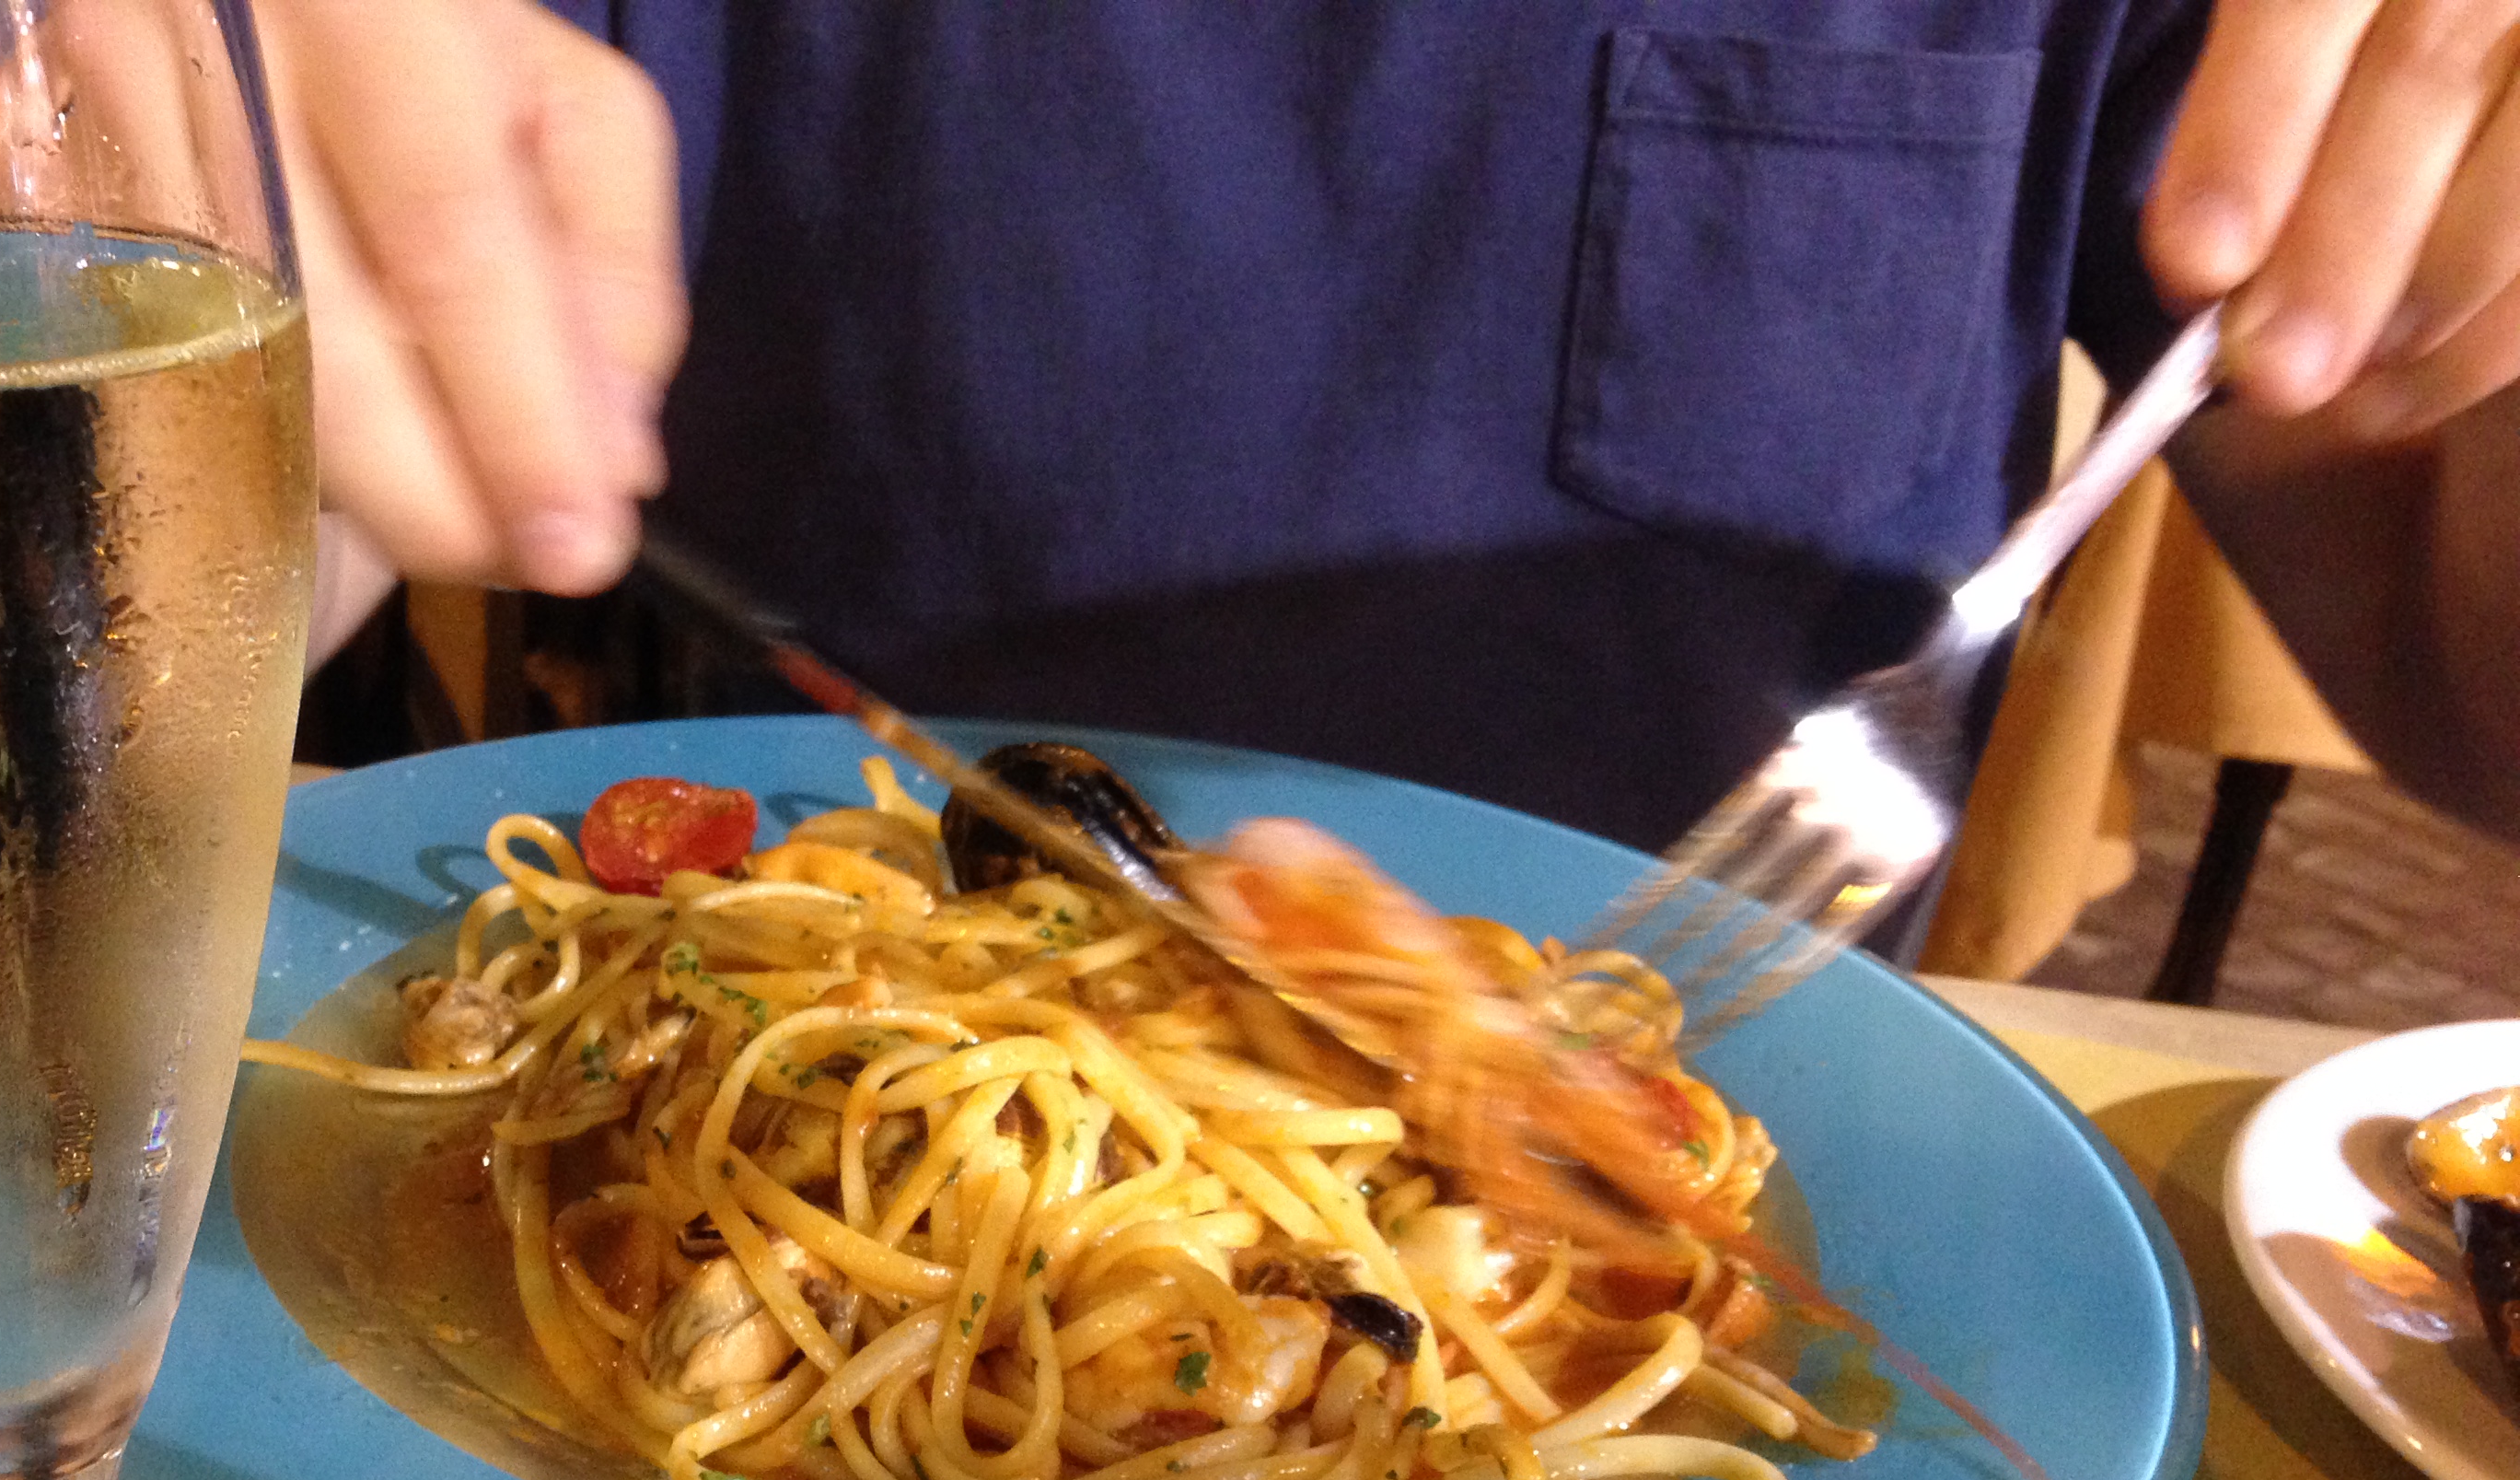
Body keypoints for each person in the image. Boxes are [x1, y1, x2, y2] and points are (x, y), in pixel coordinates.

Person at [256, 0, 2520, 858]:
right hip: (781, 1122)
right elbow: (227, 579)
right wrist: (149, 237)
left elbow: (2462, 667)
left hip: (1721, 1275)